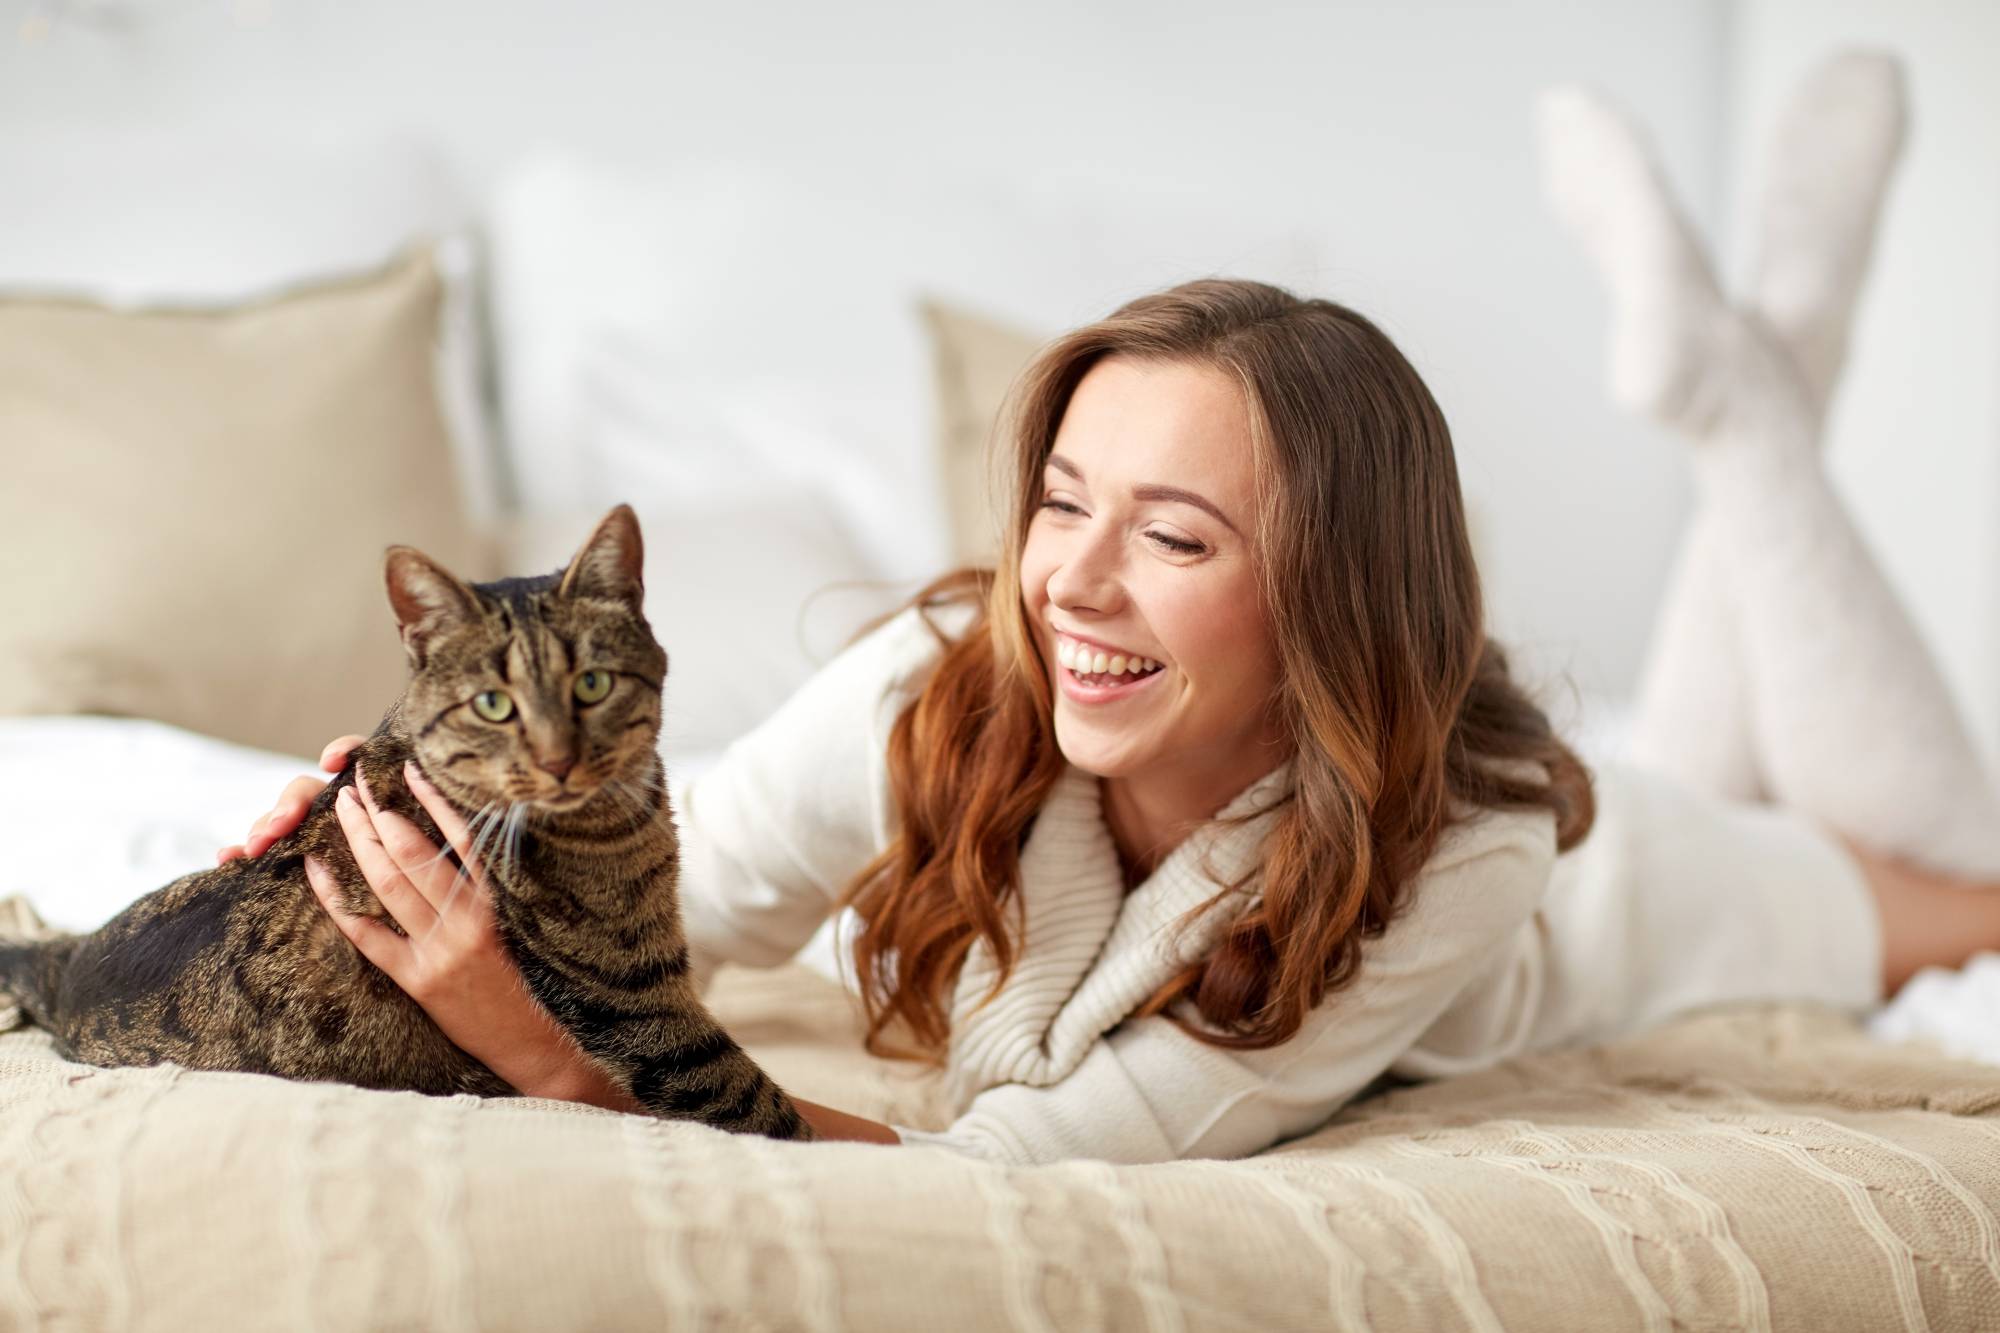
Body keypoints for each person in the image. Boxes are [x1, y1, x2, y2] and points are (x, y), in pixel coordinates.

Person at [222, 57, 2000, 1167]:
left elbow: (1016, 1179)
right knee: (1733, 711)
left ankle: (1749, 410)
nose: (1066, 579)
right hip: (1545, 784)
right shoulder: (933, 691)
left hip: (1639, 899)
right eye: (1060, 503)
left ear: (1325, 602)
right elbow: (677, 908)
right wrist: (418, 871)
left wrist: (557, 1066)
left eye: (1174, 535)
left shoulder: (1476, 845)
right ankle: (1773, 367)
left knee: (1957, 872)